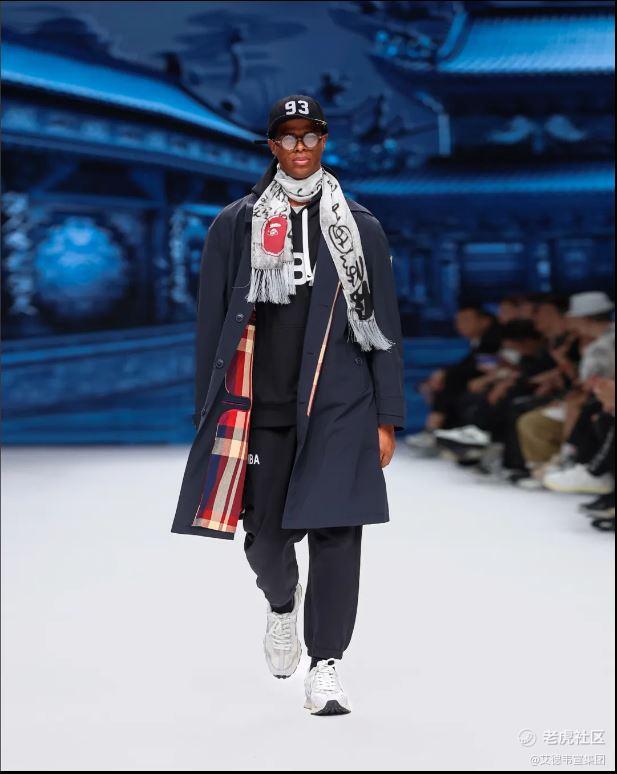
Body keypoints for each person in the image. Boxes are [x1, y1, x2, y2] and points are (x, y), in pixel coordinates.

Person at [170, 94, 406, 716]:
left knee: (338, 534)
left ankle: (326, 665)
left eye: (310, 135)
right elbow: (213, 326)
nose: (300, 147)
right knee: (267, 541)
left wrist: (387, 416)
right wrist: (209, 411)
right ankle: (282, 604)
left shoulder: (360, 227)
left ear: (323, 141)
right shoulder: (235, 224)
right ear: (272, 145)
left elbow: (383, 324)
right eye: (288, 136)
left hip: (341, 404)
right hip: (264, 405)